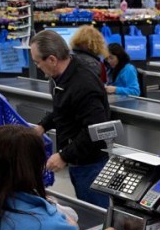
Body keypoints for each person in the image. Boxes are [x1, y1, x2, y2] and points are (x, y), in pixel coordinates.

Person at [30, 30, 111, 208]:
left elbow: (97, 131)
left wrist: (64, 156)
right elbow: (64, 109)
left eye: (38, 62)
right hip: (78, 161)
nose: (38, 67)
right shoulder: (64, 77)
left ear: (52, 59)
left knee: (96, 215)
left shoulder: (84, 84)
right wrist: (42, 126)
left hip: (91, 165)